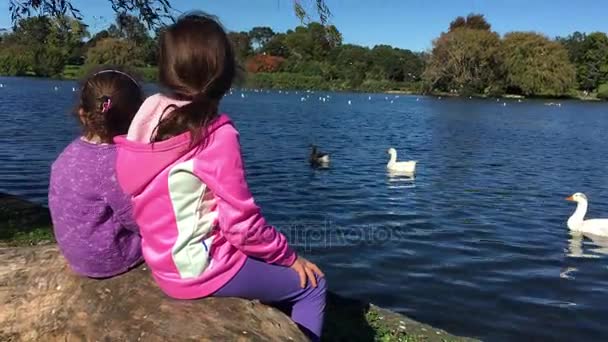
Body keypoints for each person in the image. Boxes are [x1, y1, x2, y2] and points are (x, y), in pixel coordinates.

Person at [114, 13, 326, 340]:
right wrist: (289, 256)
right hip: (199, 271)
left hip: (163, 263)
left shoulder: (150, 112)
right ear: (225, 74)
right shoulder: (216, 135)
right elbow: (242, 227)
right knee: (312, 286)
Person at [48, 68, 145, 278]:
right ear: (138, 116)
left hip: (75, 252)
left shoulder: (70, 153)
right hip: (107, 259)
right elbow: (136, 220)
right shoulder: (118, 163)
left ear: (83, 114)